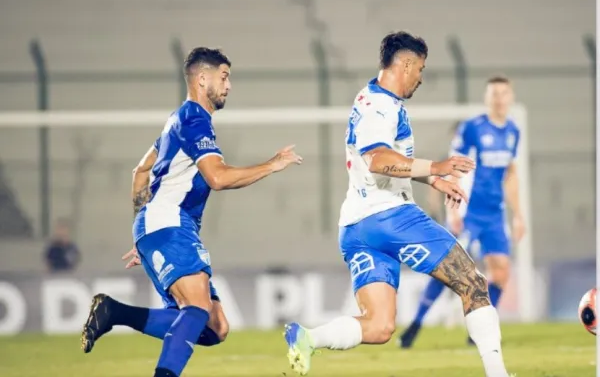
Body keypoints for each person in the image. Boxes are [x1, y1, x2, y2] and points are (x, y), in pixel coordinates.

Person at [283, 32, 512, 377]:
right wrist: (435, 166)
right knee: (474, 283)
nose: (420, 78)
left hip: (356, 227)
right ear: (405, 64)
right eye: (419, 69)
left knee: (379, 326)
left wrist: (432, 180)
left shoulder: (368, 99)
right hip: (390, 217)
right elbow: (377, 160)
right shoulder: (381, 105)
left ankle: (307, 338)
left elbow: (390, 162)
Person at [80, 47, 302, 377]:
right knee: (196, 308)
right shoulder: (194, 119)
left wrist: (142, 229)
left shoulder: (176, 120)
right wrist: (272, 164)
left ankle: (113, 313)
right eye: (224, 77)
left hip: (164, 224)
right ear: (202, 78)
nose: (229, 86)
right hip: (169, 222)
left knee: (214, 328)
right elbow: (218, 177)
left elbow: (140, 171)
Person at [399, 76, 524, 348]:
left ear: (510, 97)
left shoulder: (513, 131)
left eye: (504, 93)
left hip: (494, 214)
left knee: (501, 272)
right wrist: (453, 209)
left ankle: (476, 330)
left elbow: (510, 173)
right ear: (487, 98)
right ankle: (416, 324)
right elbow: (453, 166)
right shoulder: (473, 128)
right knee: (451, 270)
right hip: (469, 211)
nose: (499, 98)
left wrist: (518, 214)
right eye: (494, 94)